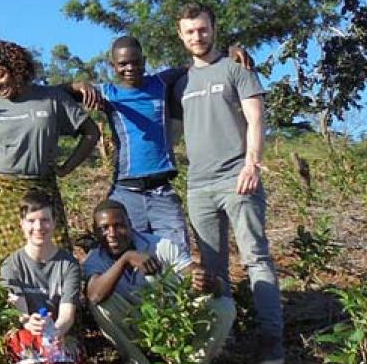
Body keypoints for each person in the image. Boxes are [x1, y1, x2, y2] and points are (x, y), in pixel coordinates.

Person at [173, 4, 285, 364]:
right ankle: (224, 338)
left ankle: (271, 340)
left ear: (213, 28)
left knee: (256, 258)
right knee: (211, 266)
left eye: (202, 29)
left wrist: (252, 163)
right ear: (181, 35)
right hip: (199, 185)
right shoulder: (180, 81)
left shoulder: (237, 68)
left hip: (238, 177)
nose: (197, 37)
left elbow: (255, 118)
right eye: (190, 32)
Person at [0, 41, 100, 277]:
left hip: (42, 190)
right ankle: (10, 314)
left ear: (17, 68)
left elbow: (91, 132)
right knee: (2, 268)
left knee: (56, 260)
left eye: (1, 75)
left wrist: (67, 167)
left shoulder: (53, 98)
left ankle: (57, 313)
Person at [91, 35, 252, 252]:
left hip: (161, 191)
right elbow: (62, 92)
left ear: (144, 60)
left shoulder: (160, 83)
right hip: (125, 191)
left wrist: (229, 51)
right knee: (129, 254)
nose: (130, 68)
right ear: (113, 66)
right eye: (123, 64)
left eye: (135, 62)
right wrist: (78, 84)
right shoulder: (107, 93)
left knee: (177, 253)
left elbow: (197, 65)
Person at [82, 199, 235, 364]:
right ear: (95, 232)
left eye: (119, 225)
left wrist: (209, 282)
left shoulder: (160, 245)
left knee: (224, 307)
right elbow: (94, 296)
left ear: (131, 225)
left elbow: (192, 272)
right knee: (101, 304)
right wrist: (126, 259)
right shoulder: (94, 259)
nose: (112, 234)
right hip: (137, 327)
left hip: (173, 320)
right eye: (104, 228)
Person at [0, 190, 82, 364]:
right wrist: (28, 320)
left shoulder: (68, 264)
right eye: (32, 221)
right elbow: (18, 309)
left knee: (60, 343)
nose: (39, 227)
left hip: (58, 331)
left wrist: (56, 330)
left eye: (45, 220)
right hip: (28, 332)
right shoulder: (12, 265)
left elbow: (68, 313)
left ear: (54, 223)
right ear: (21, 224)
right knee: (21, 338)